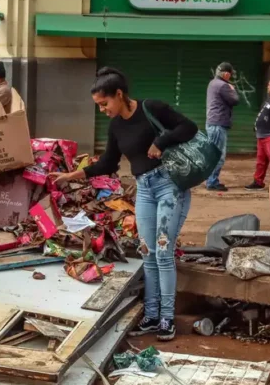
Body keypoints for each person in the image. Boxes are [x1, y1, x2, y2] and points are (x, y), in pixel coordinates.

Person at [50, 67, 198, 341]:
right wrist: (71, 176)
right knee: (147, 253)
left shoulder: (152, 108)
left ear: (119, 94)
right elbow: (108, 163)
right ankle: (151, 315)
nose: (102, 110)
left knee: (163, 253)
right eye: (98, 105)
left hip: (170, 186)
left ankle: (167, 318)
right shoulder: (116, 126)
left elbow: (189, 127)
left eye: (104, 103)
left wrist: (161, 141)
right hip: (145, 190)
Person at [204, 62, 240, 191]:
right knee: (218, 155)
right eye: (230, 74)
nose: (230, 77)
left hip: (213, 123)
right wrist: (232, 89)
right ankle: (212, 182)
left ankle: (211, 180)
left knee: (213, 154)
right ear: (225, 74)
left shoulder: (212, 83)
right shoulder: (223, 85)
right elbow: (235, 100)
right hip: (218, 124)